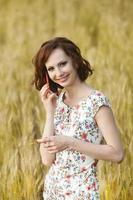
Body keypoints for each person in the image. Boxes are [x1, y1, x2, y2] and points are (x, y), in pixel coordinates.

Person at [32, 37, 124, 200]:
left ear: (74, 61)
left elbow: (117, 154)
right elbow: (47, 159)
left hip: (82, 193)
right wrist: (50, 112)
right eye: (51, 68)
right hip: (52, 192)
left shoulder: (96, 102)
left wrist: (69, 142)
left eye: (62, 64)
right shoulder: (58, 101)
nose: (58, 73)